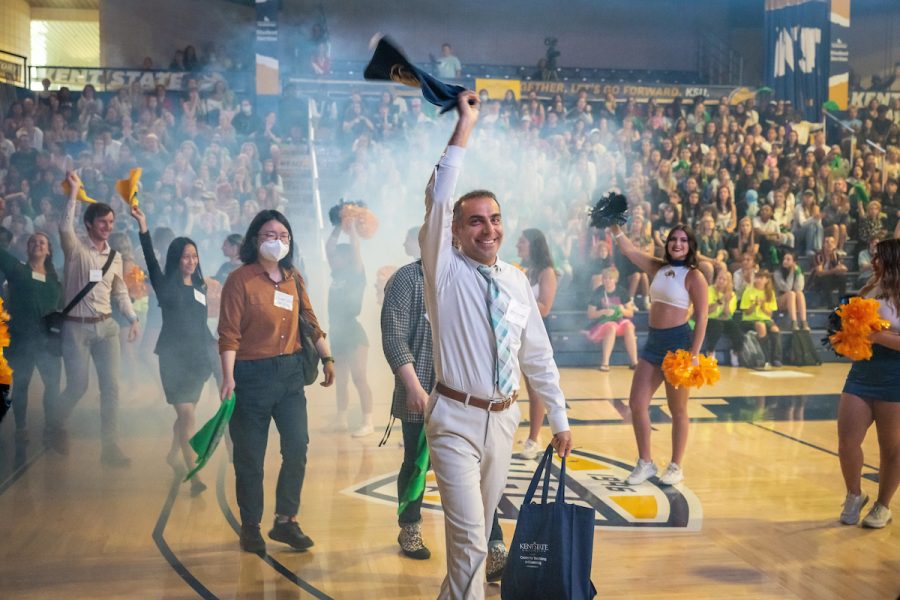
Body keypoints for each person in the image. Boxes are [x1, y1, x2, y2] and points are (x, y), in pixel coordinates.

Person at [419, 91, 572, 600]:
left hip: (503, 421)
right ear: (456, 232)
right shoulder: (442, 270)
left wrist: (560, 419)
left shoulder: (515, 279)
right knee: (470, 545)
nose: (489, 228)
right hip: (455, 421)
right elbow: (440, 198)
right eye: (475, 220)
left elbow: (538, 356)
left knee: (479, 537)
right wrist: (466, 124)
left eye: (495, 218)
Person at [381, 226, 508, 580]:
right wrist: (413, 387)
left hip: (470, 398)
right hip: (422, 392)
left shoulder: (473, 276)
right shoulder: (408, 279)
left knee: (480, 473)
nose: (451, 245)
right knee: (417, 462)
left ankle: (494, 546)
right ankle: (409, 524)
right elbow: (394, 337)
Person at [218, 209, 335, 555]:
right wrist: (227, 378)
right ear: (255, 239)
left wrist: (326, 357)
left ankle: (286, 520)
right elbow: (228, 334)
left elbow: (309, 320)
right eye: (270, 235)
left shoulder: (293, 277)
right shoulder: (239, 280)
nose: (277, 241)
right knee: (250, 458)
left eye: (283, 236)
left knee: (297, 447)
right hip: (250, 376)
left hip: (289, 376)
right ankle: (251, 526)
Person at [48, 172, 140, 466]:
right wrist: (73, 192)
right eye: (103, 222)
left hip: (108, 325)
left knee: (111, 388)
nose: (108, 227)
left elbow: (121, 291)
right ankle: (55, 422)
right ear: (89, 224)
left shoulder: (114, 256)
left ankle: (109, 448)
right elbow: (64, 225)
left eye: (111, 222)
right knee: (78, 385)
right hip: (77, 327)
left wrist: (133, 318)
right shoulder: (75, 249)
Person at [608, 222, 708, 486]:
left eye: (683, 240)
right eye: (673, 239)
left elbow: (702, 316)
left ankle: (676, 465)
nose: (677, 244)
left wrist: (695, 353)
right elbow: (629, 250)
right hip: (654, 342)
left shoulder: (694, 275)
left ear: (690, 245)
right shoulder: (658, 267)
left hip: (679, 344)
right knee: (637, 403)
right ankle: (646, 462)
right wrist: (615, 228)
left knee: (678, 409)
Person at [130, 204, 215, 496]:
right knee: (188, 416)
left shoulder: (201, 287)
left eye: (194, 256)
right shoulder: (165, 285)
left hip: (198, 361)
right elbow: (151, 260)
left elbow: (202, 325)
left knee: (185, 416)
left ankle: (172, 454)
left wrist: (215, 354)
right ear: (176, 259)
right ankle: (195, 477)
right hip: (173, 360)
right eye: (185, 257)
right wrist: (143, 224)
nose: (191, 261)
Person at [838, 238, 900, 529]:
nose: (874, 260)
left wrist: (876, 336)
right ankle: (854, 494)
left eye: (879, 256)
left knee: (891, 448)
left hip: (895, 375)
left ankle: (883, 505)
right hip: (862, 372)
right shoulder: (871, 286)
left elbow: (877, 333)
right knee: (848, 441)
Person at [0, 232, 62, 443]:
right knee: (21, 384)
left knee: (52, 385)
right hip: (21, 340)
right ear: (27, 249)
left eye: (42, 242)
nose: (37, 244)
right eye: (33, 242)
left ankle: (50, 426)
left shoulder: (55, 280)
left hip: (47, 341)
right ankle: (21, 428)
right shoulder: (18, 270)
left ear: (48, 250)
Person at [326, 220, 374, 436]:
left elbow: (356, 248)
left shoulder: (356, 272)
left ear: (346, 258)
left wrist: (352, 224)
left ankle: (368, 421)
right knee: (341, 379)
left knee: (358, 377)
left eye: (337, 256)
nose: (333, 258)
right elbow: (328, 247)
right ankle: (341, 419)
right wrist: (338, 224)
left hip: (353, 332)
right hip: (336, 332)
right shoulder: (336, 274)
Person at [514, 228, 559, 461]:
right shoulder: (523, 270)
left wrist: (513, 305)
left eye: (521, 242)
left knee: (535, 388)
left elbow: (545, 308)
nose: (517, 245)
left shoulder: (546, 272)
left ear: (533, 244)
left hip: (537, 333)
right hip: (518, 331)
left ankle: (534, 438)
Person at [583, 267, 639, 371]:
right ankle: (605, 362)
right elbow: (590, 314)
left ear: (615, 280)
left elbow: (630, 313)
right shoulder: (598, 292)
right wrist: (603, 312)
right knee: (611, 327)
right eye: (605, 278)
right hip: (601, 324)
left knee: (629, 326)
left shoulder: (622, 291)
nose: (607, 280)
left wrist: (621, 310)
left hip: (618, 322)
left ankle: (634, 362)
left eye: (610, 278)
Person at [740, 269, 783, 367]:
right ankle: (765, 358)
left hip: (765, 319)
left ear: (766, 280)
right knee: (761, 326)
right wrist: (754, 305)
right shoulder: (748, 291)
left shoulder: (770, 293)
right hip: (749, 320)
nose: (758, 280)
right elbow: (746, 311)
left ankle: (776, 358)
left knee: (775, 330)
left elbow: (770, 314)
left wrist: (763, 306)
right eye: (757, 277)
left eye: (761, 278)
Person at [703, 269, 742, 366]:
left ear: (728, 282)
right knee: (717, 325)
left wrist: (727, 302)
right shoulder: (708, 290)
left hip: (723, 319)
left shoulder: (731, 294)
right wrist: (719, 301)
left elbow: (727, 314)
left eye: (724, 280)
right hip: (708, 319)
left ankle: (735, 352)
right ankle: (710, 351)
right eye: (719, 278)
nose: (720, 281)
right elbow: (706, 310)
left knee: (735, 327)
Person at [774, 251, 809, 330]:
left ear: (794, 262)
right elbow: (786, 288)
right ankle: (794, 322)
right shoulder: (777, 273)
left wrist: (798, 274)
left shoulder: (798, 271)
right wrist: (792, 273)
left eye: (788, 259)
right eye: (784, 259)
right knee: (791, 294)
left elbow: (799, 288)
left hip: (792, 301)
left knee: (799, 293)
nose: (785, 261)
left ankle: (804, 322)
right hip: (779, 300)